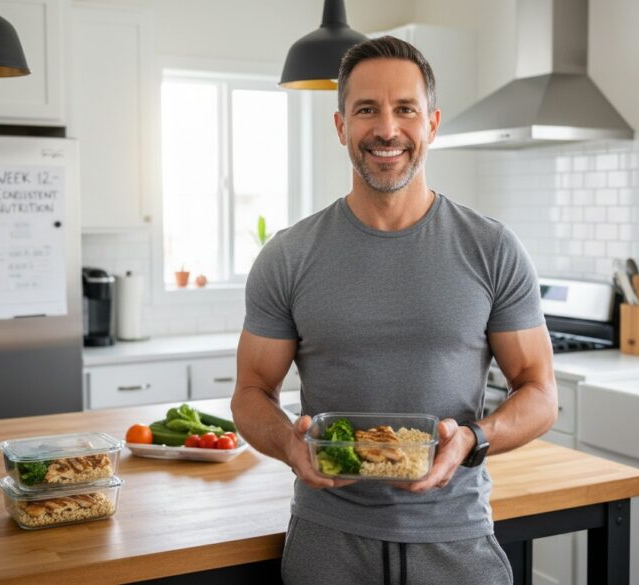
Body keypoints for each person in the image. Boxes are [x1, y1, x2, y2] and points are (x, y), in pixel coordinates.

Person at [230, 36, 557, 585]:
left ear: (431, 123)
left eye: (404, 109)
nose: (387, 129)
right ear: (340, 127)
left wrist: (473, 439)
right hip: (326, 544)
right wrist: (290, 443)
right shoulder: (288, 256)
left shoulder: (492, 248)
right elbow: (249, 391)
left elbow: (540, 391)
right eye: (366, 110)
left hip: (456, 542)